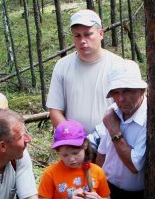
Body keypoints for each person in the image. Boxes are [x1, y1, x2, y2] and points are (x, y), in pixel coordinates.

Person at [93, 60, 147, 199]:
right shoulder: (114, 111)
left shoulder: (149, 117)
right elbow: (102, 153)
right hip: (108, 191)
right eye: (116, 92)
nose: (121, 98)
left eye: (127, 91)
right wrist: (95, 185)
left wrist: (115, 130)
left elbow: (135, 164)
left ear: (141, 90)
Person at [46, 9, 124, 140]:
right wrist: (75, 142)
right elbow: (55, 111)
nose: (83, 40)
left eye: (88, 34)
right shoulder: (62, 66)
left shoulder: (118, 65)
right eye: (77, 36)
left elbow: (129, 109)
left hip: (111, 144)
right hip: (75, 149)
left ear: (100, 34)